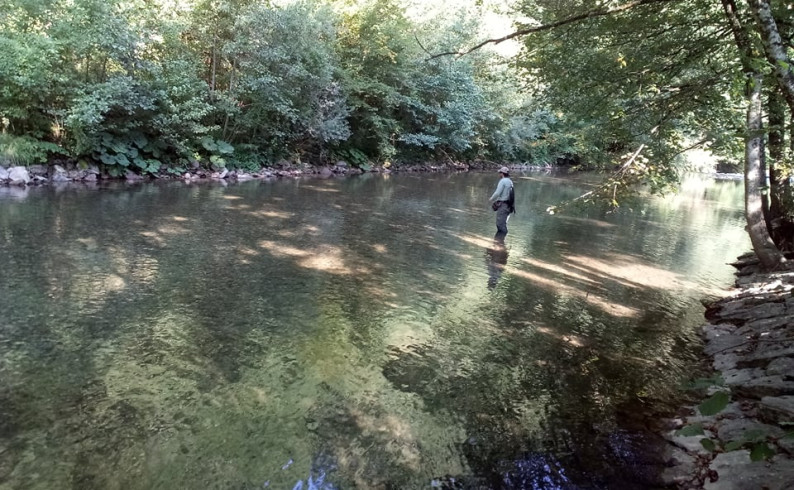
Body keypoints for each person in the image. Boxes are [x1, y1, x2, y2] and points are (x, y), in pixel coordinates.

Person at [489, 166, 514, 241]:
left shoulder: (503, 181)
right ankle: (500, 241)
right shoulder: (510, 181)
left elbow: (497, 193)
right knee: (502, 223)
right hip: (509, 205)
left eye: (500, 173)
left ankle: (500, 242)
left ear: (502, 173)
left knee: (500, 224)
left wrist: (491, 199)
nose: (499, 174)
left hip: (503, 205)